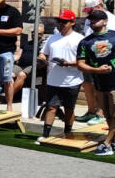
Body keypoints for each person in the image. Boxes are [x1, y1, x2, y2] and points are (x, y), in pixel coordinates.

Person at [76, 8, 115, 156]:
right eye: (91, 20)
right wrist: (97, 70)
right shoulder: (85, 42)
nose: (93, 22)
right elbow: (80, 64)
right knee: (108, 115)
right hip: (100, 83)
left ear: (105, 21)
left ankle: (107, 143)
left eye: (96, 19)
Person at [36, 9, 84, 143]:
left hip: (72, 80)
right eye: (59, 21)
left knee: (69, 109)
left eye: (64, 21)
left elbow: (83, 61)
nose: (61, 24)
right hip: (53, 79)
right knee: (51, 107)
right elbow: (43, 53)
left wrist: (68, 63)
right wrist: (41, 59)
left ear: (72, 22)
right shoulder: (52, 38)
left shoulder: (79, 39)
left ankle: (68, 133)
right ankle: (45, 135)